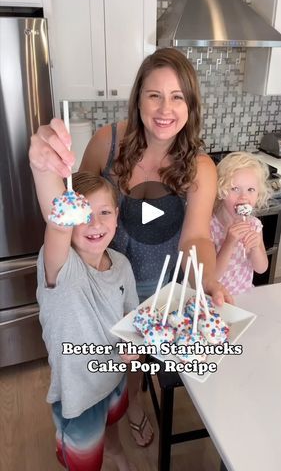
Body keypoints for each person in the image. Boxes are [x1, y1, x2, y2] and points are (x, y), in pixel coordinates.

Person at [29, 47, 233, 447]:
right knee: (98, 362)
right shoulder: (107, 143)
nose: (165, 108)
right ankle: (100, 424)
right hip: (101, 277)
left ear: (191, 104)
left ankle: (132, 409)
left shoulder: (200, 166)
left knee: (133, 362)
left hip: (159, 287)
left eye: (177, 97)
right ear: (138, 97)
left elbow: (195, 237)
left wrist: (207, 278)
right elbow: (75, 205)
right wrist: (42, 170)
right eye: (154, 94)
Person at [31, 167, 140, 471]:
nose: (95, 223)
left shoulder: (121, 264)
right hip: (79, 394)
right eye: (83, 215)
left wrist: (135, 343)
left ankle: (116, 451)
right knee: (85, 467)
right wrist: (43, 169)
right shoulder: (62, 269)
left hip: (114, 377)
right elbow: (58, 228)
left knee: (113, 423)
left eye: (104, 212)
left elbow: (132, 314)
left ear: (117, 216)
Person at [211, 152, 272, 295]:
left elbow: (261, 268)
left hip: (244, 294)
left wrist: (256, 248)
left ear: (259, 194)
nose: (243, 196)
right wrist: (229, 242)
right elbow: (212, 277)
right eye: (235, 189)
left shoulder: (255, 225)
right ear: (220, 190)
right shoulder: (210, 226)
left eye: (251, 190)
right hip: (215, 297)